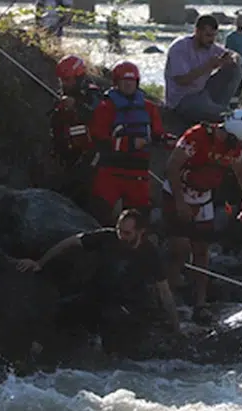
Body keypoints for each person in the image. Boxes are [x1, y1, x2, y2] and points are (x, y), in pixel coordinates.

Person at [16, 209, 179, 351]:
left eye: (127, 233)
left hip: (128, 304)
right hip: (97, 295)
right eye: (119, 230)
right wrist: (40, 263)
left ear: (140, 232)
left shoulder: (149, 253)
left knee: (116, 322)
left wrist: (176, 327)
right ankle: (35, 351)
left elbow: (164, 291)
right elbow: (71, 242)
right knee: (60, 310)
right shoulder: (107, 237)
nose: (121, 236)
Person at [163, 110, 242, 320]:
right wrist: (180, 201)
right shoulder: (196, 137)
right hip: (177, 193)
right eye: (238, 142)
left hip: (203, 198)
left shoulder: (233, 149)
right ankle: (166, 297)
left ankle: (200, 303)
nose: (238, 148)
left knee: (201, 251)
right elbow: (172, 166)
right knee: (179, 248)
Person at [87, 60, 167, 227]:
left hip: (138, 172)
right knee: (100, 212)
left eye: (132, 81)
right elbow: (98, 138)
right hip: (110, 170)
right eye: (125, 81)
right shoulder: (105, 107)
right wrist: (128, 144)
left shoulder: (149, 108)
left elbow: (157, 133)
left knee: (140, 218)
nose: (129, 85)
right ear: (116, 83)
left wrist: (166, 140)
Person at [164, 14, 242, 125]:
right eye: (208, 35)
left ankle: (220, 108)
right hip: (183, 99)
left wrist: (232, 58)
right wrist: (208, 66)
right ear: (197, 31)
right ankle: (224, 114)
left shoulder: (211, 47)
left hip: (202, 93)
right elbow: (182, 80)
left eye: (214, 36)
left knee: (234, 69)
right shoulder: (180, 47)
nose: (212, 40)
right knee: (223, 115)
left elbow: (236, 56)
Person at [49, 54, 101, 203]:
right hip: (66, 155)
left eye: (67, 80)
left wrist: (76, 106)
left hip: (89, 157)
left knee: (82, 191)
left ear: (78, 78)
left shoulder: (92, 93)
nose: (64, 84)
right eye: (61, 80)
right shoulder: (61, 97)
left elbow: (97, 113)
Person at [222, 12, 242, 95]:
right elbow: (227, 51)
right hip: (234, 66)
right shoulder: (230, 37)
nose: (241, 23)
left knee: (240, 85)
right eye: (239, 21)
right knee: (232, 86)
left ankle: (237, 103)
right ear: (236, 23)